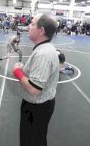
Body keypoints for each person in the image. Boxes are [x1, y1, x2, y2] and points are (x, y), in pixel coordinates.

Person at [12, 14, 59, 146]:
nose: (28, 26)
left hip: (36, 109)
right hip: (39, 107)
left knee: (31, 141)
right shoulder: (44, 48)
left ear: (41, 30)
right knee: (37, 139)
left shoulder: (42, 54)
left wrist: (18, 72)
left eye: (32, 24)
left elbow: (34, 88)